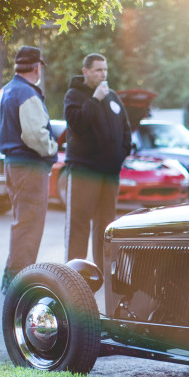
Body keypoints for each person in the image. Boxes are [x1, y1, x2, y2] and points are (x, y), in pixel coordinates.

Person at [63, 53, 132, 268]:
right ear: (85, 72)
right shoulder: (74, 95)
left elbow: (125, 127)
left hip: (110, 171)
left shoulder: (112, 96)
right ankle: (74, 273)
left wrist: (121, 154)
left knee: (106, 223)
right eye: (98, 70)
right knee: (80, 222)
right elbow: (78, 123)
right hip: (86, 169)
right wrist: (94, 100)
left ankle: (102, 270)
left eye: (105, 70)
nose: (103, 74)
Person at [0, 46, 58, 292]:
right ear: (37, 68)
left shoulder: (9, 90)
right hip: (29, 166)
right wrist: (53, 149)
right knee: (30, 225)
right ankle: (18, 283)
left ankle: (11, 277)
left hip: (14, 165)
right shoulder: (27, 93)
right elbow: (35, 135)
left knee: (22, 222)